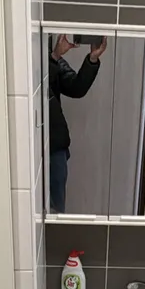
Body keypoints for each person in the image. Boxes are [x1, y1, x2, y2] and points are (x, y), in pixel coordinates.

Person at [48, 34, 107, 213]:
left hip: (54, 147)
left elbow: (76, 88)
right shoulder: (35, 58)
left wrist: (92, 59)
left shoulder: (52, 58)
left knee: (55, 211)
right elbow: (36, 86)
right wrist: (54, 56)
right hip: (29, 145)